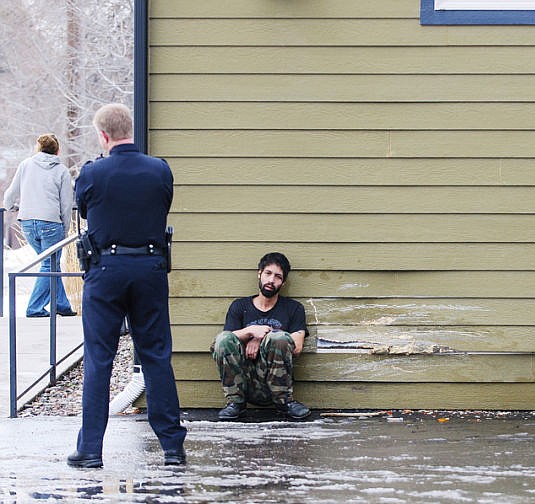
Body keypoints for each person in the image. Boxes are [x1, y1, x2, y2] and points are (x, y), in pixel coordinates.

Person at [66, 103, 186, 468]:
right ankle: (172, 447)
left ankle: (89, 450)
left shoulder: (92, 173)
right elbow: (164, 203)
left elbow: (83, 208)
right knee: (155, 356)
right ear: (130, 129)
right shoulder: (159, 170)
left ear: (103, 136)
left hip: (106, 270)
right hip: (150, 268)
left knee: (99, 359)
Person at [211, 252, 311, 421]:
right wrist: (251, 332)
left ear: (283, 282)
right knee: (223, 339)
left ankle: (284, 403)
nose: (271, 280)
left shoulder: (293, 308)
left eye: (278, 277)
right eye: (268, 273)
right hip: (242, 380)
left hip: (275, 380)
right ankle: (235, 404)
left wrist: (260, 338)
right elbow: (225, 339)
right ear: (259, 274)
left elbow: (297, 346)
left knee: (278, 338)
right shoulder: (239, 306)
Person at [3, 133, 76, 318]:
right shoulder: (62, 171)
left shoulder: (25, 165)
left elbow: (10, 194)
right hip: (51, 223)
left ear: (38, 148)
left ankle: (61, 304)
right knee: (48, 264)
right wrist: (65, 229)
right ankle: (34, 308)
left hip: (27, 222)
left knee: (50, 264)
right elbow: (66, 205)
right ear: (57, 150)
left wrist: (10, 207)